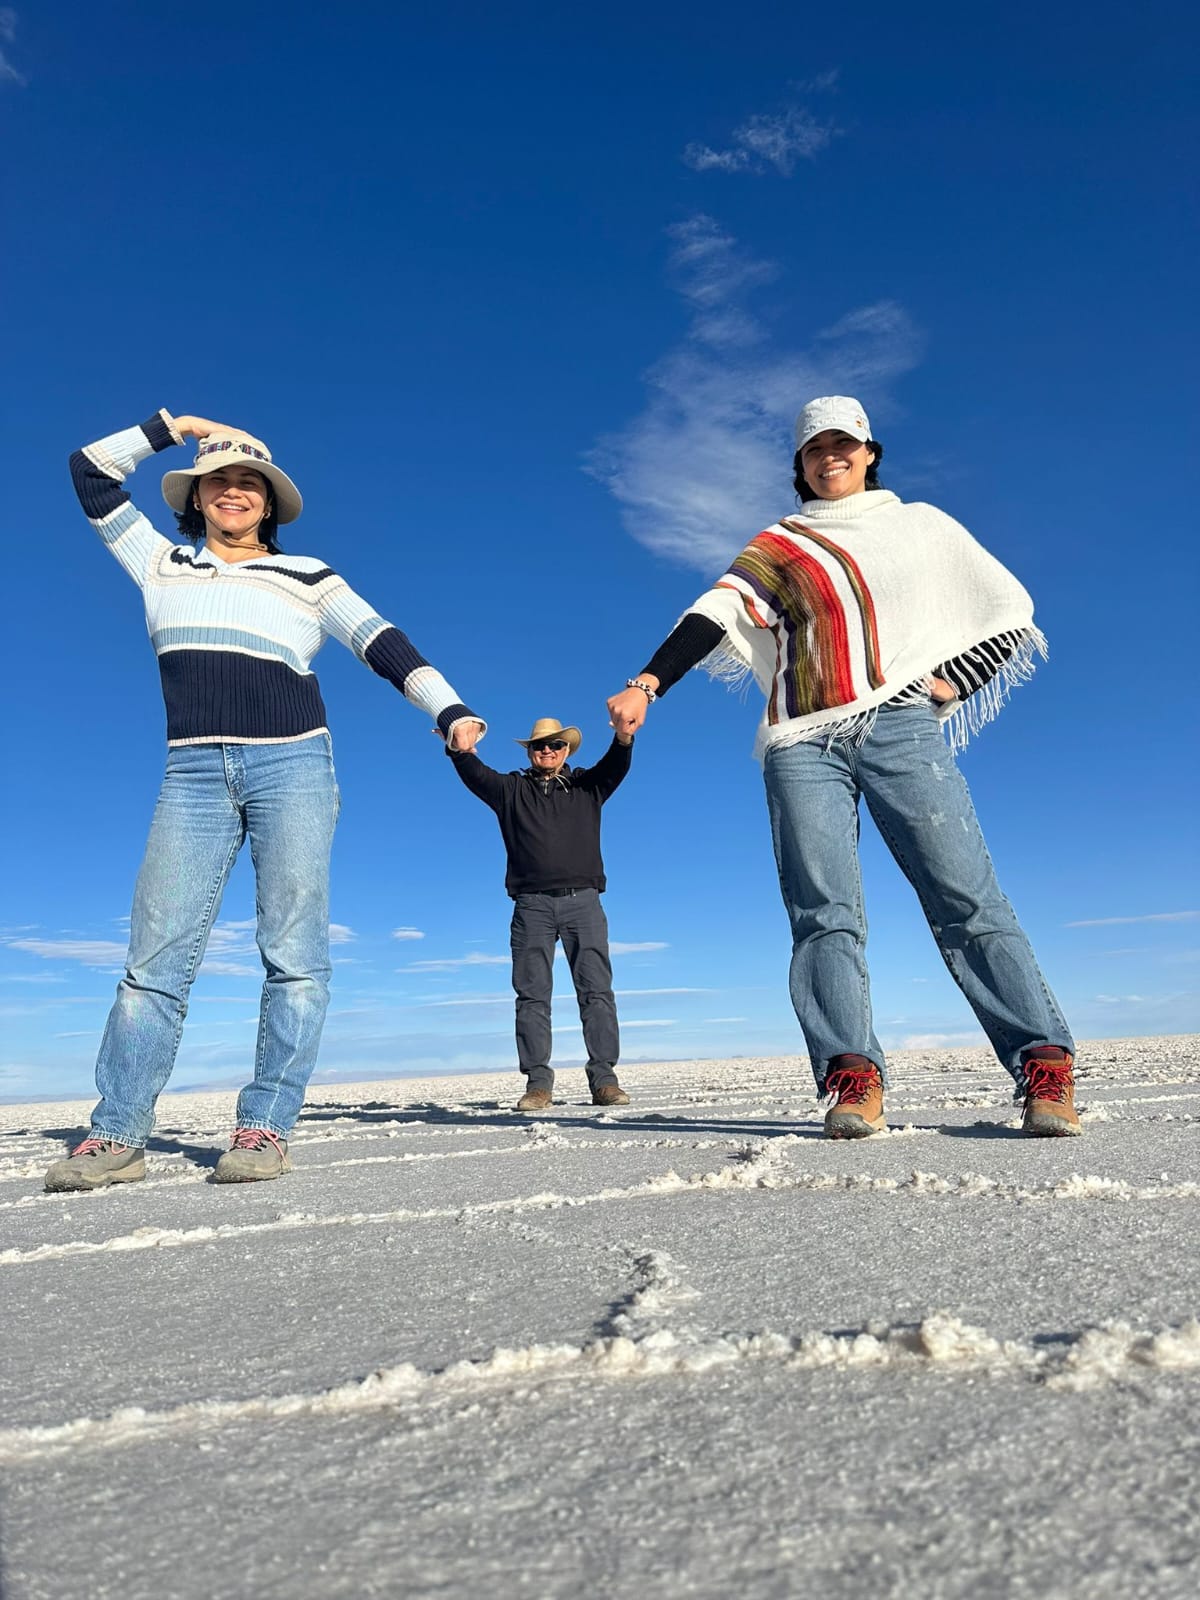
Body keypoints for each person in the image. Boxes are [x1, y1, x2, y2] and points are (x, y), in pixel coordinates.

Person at [607, 395, 1078, 1139]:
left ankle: (1043, 1067)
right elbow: (716, 612)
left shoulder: (919, 525)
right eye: (815, 449)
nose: (832, 457)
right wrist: (647, 683)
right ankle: (852, 1079)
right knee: (823, 914)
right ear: (799, 464)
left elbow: (1004, 607)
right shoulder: (781, 544)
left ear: (869, 451)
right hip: (800, 739)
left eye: (845, 444)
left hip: (900, 725)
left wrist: (956, 680)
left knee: (964, 895)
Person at [45, 411, 485, 1191]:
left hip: (294, 768)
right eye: (220, 479)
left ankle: (265, 1126)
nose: (235, 490)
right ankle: (117, 1134)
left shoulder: (309, 576)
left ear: (271, 501)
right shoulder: (159, 563)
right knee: (155, 957)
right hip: (192, 773)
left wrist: (449, 710)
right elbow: (89, 472)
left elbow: (384, 643)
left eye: (250, 481)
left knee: (294, 955)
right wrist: (168, 427)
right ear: (198, 497)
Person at [448, 717, 633, 1111]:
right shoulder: (510, 791)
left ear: (567, 750)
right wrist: (459, 749)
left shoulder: (588, 785)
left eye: (554, 745)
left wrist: (623, 736)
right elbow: (476, 775)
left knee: (596, 992)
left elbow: (616, 765)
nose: (546, 750)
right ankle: (538, 1084)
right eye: (539, 746)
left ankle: (605, 1080)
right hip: (531, 906)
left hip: (584, 902)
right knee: (532, 996)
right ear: (529, 752)